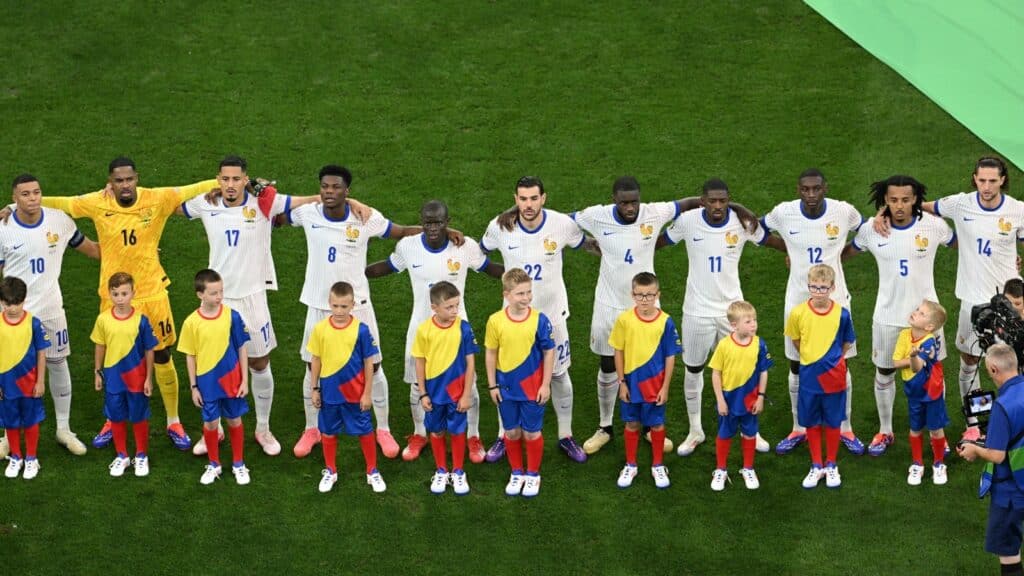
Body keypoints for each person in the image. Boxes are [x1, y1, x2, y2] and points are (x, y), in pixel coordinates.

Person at [36, 157, 219, 450]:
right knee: (112, 357)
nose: (124, 185)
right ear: (111, 182)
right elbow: (64, 203)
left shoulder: (156, 199)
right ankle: (113, 419)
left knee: (162, 355)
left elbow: (190, 189)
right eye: (118, 180)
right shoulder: (97, 202)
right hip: (114, 295)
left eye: (129, 179)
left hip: (152, 294)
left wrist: (221, 183)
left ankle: (173, 420)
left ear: (136, 178)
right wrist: (21, 204)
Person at [288, 165, 458, 460]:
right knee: (311, 365)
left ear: (347, 191)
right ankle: (311, 428)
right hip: (318, 303)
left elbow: (402, 232)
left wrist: (444, 231)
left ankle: (383, 429)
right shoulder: (308, 213)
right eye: (324, 187)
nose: (329, 192)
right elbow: (274, 211)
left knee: (375, 366)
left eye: (336, 187)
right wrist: (304, 198)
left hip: (360, 305)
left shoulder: (366, 218)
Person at [876, 156, 1024, 443]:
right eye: (981, 180)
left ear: (1003, 180)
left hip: (1008, 302)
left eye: (993, 180)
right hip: (972, 302)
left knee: (1015, 363)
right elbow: (918, 206)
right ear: (974, 178)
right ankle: (977, 424)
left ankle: (1015, 418)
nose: (987, 186)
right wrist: (884, 212)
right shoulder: (960, 204)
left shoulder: (1018, 210)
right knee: (970, 362)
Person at [181, 155, 319, 458]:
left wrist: (339, 200)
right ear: (218, 180)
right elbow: (173, 205)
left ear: (246, 179)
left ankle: (262, 428)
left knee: (259, 362)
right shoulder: (206, 203)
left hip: (253, 298)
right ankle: (213, 429)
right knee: (211, 365)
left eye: (236, 179)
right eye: (225, 179)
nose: (230, 185)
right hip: (217, 299)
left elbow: (304, 201)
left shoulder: (262, 203)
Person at [366, 199, 503, 463]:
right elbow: (388, 266)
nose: (432, 227)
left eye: (438, 222)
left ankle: (473, 436)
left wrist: (522, 273)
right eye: (427, 222)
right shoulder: (408, 246)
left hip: (457, 330)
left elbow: (489, 268)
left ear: (447, 222)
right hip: (421, 329)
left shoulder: (464, 247)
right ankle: (420, 433)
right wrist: (358, 274)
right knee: (417, 384)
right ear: (421, 221)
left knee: (468, 384)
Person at [480, 176, 592, 463]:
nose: (528, 205)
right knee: (507, 377)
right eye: (522, 198)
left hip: (552, 317)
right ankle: (506, 435)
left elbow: (586, 244)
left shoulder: (561, 225)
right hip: (513, 322)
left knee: (558, 375)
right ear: (515, 199)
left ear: (544, 198)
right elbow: (478, 253)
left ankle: (566, 436)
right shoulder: (499, 227)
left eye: (533, 198)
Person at [843, 175, 954, 456]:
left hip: (928, 320)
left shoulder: (934, 226)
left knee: (934, 374)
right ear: (885, 201)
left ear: (915, 198)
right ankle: (885, 430)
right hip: (887, 316)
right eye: (893, 200)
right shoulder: (872, 229)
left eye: (906, 199)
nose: (900, 205)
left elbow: (965, 244)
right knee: (884, 371)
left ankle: (936, 434)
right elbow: (844, 253)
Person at [659, 178, 770, 456]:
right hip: (697, 311)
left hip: (733, 313)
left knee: (745, 368)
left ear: (729, 199)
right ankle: (695, 430)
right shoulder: (688, 221)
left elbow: (769, 238)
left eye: (724, 200)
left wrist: (798, 256)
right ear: (702, 200)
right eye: (712, 200)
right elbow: (657, 242)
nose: (718, 206)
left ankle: (749, 428)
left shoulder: (741, 222)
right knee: (694, 368)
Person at [575, 176, 682, 456]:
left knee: (651, 364)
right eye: (624, 202)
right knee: (608, 364)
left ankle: (649, 426)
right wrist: (585, 243)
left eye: (634, 201)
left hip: (646, 307)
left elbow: (690, 203)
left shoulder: (654, 213)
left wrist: (736, 209)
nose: (630, 207)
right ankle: (605, 426)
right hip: (609, 306)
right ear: (614, 200)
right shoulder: (596, 216)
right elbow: (561, 222)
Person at [763, 168, 865, 456]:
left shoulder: (843, 211)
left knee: (840, 364)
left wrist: (843, 255)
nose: (811, 194)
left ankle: (845, 428)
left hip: (836, 300)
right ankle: (799, 428)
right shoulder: (784, 213)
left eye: (816, 188)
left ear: (825, 188)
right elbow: (758, 231)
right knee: (796, 365)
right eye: (805, 189)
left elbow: (867, 229)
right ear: (798, 189)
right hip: (797, 301)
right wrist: (791, 252)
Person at [0, 173, 99, 459]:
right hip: (15, 312)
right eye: (25, 194)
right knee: (9, 371)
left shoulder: (60, 221)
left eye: (36, 192)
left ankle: (64, 430)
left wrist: (132, 253)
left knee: (58, 363)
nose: (32, 198)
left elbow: (92, 250)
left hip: (51, 309)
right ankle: (8, 435)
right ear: (14, 197)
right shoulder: (4, 228)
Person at [308, 281, 385, 494]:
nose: (339, 311)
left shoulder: (361, 330)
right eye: (335, 306)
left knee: (365, 431)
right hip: (330, 394)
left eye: (344, 306)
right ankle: (330, 470)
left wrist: (367, 392)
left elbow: (369, 363)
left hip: (355, 393)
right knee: (329, 432)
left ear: (352, 305)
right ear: (329, 304)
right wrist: (314, 388)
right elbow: (316, 359)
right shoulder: (320, 329)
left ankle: (372, 471)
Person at [485, 268, 555, 498]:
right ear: (507, 294)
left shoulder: (539, 320)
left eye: (528, 292)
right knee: (512, 432)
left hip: (533, 388)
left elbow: (549, 352)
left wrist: (545, 385)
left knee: (532, 433)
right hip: (506, 390)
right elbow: (491, 354)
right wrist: (493, 385)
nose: (526, 298)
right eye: (520, 294)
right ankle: (517, 472)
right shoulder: (495, 321)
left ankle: (533, 474)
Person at [785, 264, 856, 489]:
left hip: (834, 377)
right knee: (813, 422)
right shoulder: (797, 313)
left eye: (823, 288)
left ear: (833, 287)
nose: (818, 292)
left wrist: (833, 360)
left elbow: (847, 342)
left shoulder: (842, 314)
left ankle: (831, 464)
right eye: (813, 287)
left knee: (834, 421)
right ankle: (816, 465)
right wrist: (811, 357)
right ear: (808, 287)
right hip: (809, 377)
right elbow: (796, 340)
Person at [178, 269, 251, 486]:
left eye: (220, 291)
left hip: (232, 381)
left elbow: (242, 348)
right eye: (213, 293)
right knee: (210, 424)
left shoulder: (232, 316)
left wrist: (245, 380)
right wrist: (193, 387)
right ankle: (214, 463)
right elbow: (190, 356)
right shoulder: (191, 322)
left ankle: (239, 463)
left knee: (235, 420)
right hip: (207, 384)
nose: (219, 297)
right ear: (200, 294)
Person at [610, 272, 681, 490]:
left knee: (657, 424)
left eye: (649, 295)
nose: (644, 300)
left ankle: (658, 465)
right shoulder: (624, 320)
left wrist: (665, 387)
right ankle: (631, 464)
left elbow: (671, 356)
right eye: (640, 295)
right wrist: (621, 382)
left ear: (657, 295)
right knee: (631, 423)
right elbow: (618, 351)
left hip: (655, 385)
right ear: (633, 295)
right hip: (631, 384)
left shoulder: (666, 322)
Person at [958, 343, 1024, 575]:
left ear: (994, 370)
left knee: (1008, 550)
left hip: (1011, 490)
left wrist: (974, 450)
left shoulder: (1002, 407)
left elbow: (997, 455)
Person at [412, 281, 478, 495]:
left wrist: (467, 394)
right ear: (434, 308)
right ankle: (442, 470)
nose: (454, 311)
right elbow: (419, 362)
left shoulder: (464, 328)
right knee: (437, 431)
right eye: (449, 307)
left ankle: (458, 471)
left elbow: (470, 364)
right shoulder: (424, 331)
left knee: (458, 431)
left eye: (456, 305)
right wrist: (423, 393)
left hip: (457, 394)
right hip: (433, 394)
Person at [91, 272, 158, 478]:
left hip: (137, 379)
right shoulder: (103, 319)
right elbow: (100, 346)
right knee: (116, 417)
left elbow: (149, 350)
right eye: (115, 294)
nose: (120, 299)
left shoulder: (142, 321)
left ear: (133, 293)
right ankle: (122, 455)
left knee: (139, 417)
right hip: (113, 379)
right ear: (109, 294)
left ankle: (141, 455)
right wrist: (97, 372)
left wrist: (148, 378)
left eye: (124, 293)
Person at [709, 301, 772, 491]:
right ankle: (720, 469)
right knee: (724, 434)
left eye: (754, 320)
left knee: (750, 433)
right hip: (728, 402)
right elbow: (716, 373)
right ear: (734, 325)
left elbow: (763, 371)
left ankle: (748, 468)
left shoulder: (760, 344)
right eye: (748, 321)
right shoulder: (724, 345)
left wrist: (761, 397)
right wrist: (720, 400)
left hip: (750, 401)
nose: (753, 324)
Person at [892, 300, 949, 486]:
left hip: (930, 391)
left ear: (929, 326)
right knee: (915, 427)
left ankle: (939, 464)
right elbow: (895, 363)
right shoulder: (904, 335)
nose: (915, 313)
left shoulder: (930, 341)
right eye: (917, 309)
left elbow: (916, 368)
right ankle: (917, 464)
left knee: (935, 428)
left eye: (922, 313)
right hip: (913, 391)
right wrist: (913, 356)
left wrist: (913, 357)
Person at [0, 276, 49, 480]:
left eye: (17, 303)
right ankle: (16, 457)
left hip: (29, 384)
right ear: (2, 302)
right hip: (6, 385)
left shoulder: (34, 324)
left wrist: (40, 381)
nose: (12, 308)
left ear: (24, 300)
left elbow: (41, 354)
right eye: (8, 303)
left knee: (30, 421)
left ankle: (31, 458)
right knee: (10, 422)